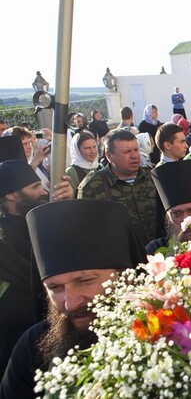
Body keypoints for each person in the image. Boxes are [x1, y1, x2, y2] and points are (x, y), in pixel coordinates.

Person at [0, 199, 144, 398]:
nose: (71, 303)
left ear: (125, 277)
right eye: (55, 287)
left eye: (84, 280)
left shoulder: (167, 331)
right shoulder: (31, 346)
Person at [0, 151, 74, 380]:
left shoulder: (45, 217)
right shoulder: (3, 238)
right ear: (12, 194)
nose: (43, 192)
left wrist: (68, 207)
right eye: (35, 187)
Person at [78, 129, 159, 246]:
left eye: (136, 149)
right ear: (109, 156)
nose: (134, 156)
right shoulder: (92, 187)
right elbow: (87, 233)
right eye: (127, 151)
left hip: (160, 252)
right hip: (120, 254)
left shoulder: (153, 177)